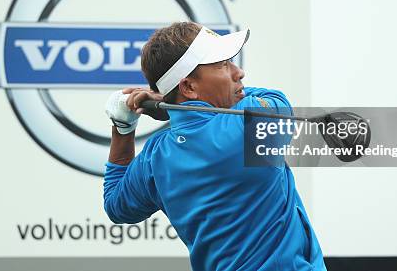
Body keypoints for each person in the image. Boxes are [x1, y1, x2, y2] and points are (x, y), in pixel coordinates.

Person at [103, 22, 326, 271]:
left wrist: (123, 126)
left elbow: (115, 205)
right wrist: (172, 104)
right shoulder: (248, 123)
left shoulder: (155, 158)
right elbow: (276, 99)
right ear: (188, 86)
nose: (238, 72)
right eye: (222, 65)